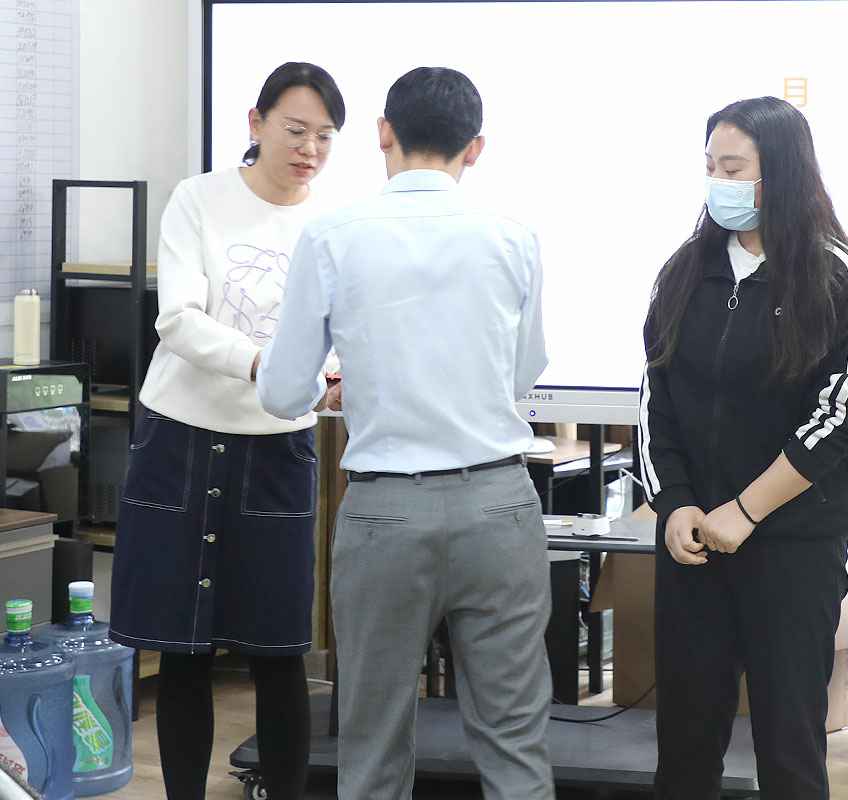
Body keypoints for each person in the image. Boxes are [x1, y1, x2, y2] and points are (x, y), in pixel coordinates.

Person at [256, 66, 554, 800]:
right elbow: (525, 373)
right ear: (475, 147)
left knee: (373, 743)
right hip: (500, 505)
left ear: (383, 132)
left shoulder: (332, 235)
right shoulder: (514, 236)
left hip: (386, 513)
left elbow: (284, 391)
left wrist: (340, 389)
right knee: (515, 743)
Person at [639, 96, 848, 800]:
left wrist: (747, 510)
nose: (718, 182)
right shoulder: (685, 273)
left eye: (733, 169)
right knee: (685, 745)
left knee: (788, 747)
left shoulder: (838, 278)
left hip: (791, 549)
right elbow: (656, 402)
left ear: (780, 172)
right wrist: (675, 506)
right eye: (711, 167)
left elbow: (841, 417)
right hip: (694, 545)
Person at [108, 62, 345, 800]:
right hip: (180, 440)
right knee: (183, 650)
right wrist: (269, 367)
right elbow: (177, 319)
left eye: (325, 136)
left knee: (279, 651)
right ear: (256, 122)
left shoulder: (333, 227)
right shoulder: (199, 199)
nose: (309, 149)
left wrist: (338, 374)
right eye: (295, 130)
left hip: (278, 449)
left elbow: (343, 334)